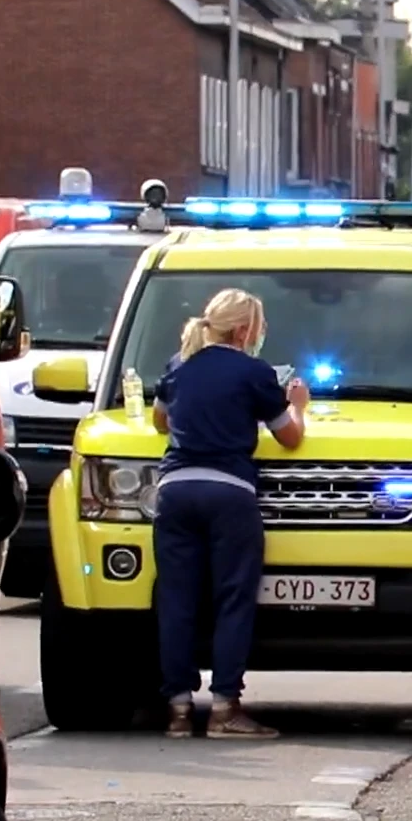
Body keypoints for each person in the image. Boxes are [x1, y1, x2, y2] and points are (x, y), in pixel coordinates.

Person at [150, 288, 310, 740]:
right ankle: (224, 708)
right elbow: (290, 438)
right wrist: (297, 405)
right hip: (229, 492)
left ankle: (178, 710)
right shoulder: (254, 372)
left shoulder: (178, 365)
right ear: (244, 331)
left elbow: (160, 421)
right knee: (232, 599)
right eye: (257, 328)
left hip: (175, 490)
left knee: (177, 601)